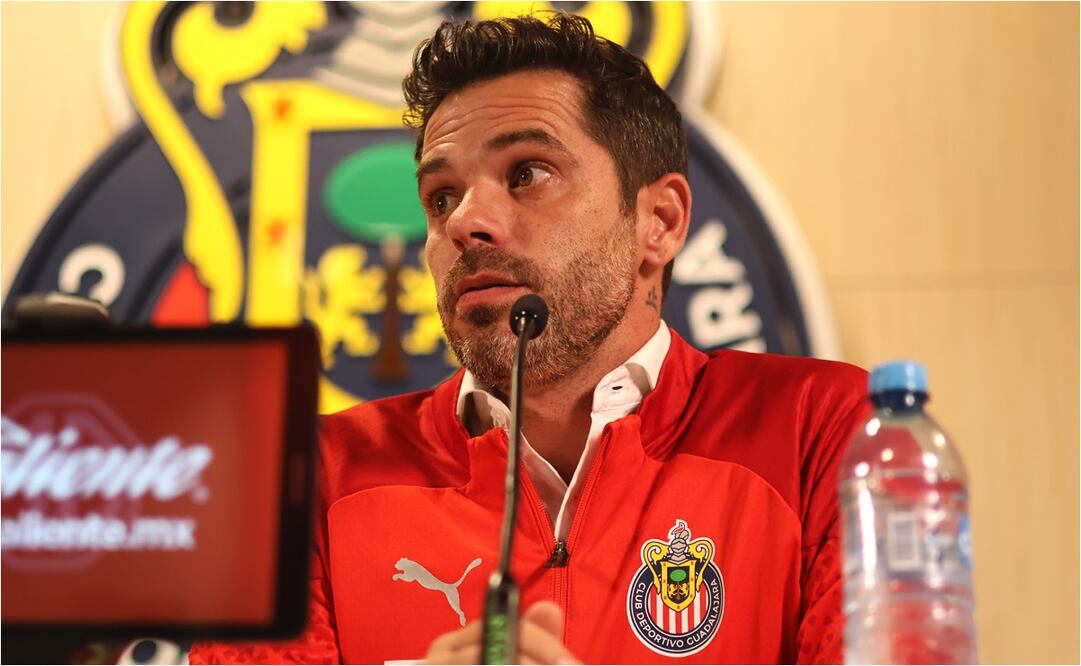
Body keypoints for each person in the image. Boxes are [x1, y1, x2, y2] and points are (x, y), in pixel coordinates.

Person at [191, 13, 869, 665]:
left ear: (657, 221)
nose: (466, 222)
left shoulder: (822, 429)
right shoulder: (304, 481)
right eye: (440, 197)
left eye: (527, 174)